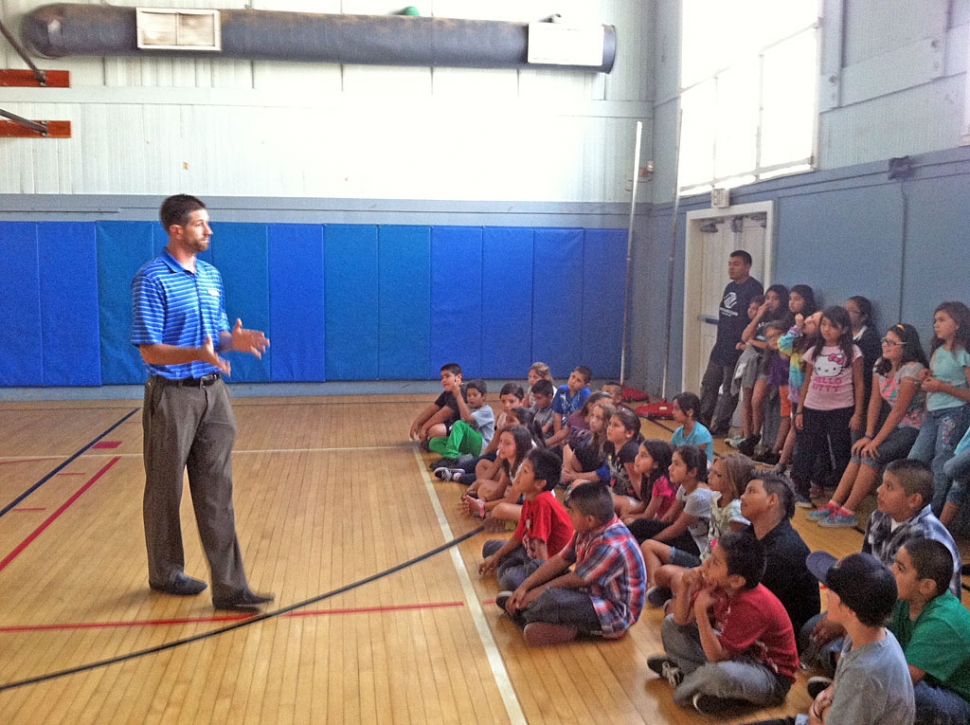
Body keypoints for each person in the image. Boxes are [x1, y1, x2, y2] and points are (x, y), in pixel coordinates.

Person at [131, 194, 273, 612]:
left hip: (214, 395)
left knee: (217, 492)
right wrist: (197, 352)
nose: (209, 231)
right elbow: (150, 351)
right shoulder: (152, 279)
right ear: (176, 230)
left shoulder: (211, 276)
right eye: (200, 224)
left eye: (207, 223)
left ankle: (231, 587)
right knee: (165, 490)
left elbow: (216, 338)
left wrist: (235, 342)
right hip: (171, 397)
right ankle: (165, 572)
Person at [800, 459, 963, 675]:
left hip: (911, 622)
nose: (878, 490)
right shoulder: (879, 516)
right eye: (882, 484)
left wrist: (848, 622)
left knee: (832, 643)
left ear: (914, 500)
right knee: (810, 632)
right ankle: (849, 667)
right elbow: (863, 571)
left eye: (889, 487)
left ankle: (853, 670)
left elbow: (902, 601)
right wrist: (843, 612)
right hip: (876, 605)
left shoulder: (927, 539)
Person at [747, 552, 915, 725]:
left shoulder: (864, 674)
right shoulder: (869, 635)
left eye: (832, 590)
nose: (827, 593)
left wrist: (817, 714)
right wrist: (829, 697)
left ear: (851, 610)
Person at [648, 532, 798, 716]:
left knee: (719, 674)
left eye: (716, 562)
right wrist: (686, 586)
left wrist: (702, 612)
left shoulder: (753, 605)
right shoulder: (718, 584)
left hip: (770, 676)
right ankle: (700, 685)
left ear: (736, 580)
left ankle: (689, 680)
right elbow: (680, 620)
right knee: (671, 624)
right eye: (711, 556)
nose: (707, 563)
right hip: (735, 658)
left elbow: (717, 658)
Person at [809, 323, 928, 528]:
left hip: (913, 427)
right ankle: (834, 503)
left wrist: (875, 442)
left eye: (892, 342)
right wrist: (868, 435)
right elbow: (875, 401)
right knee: (859, 451)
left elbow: (899, 411)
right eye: (885, 340)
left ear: (906, 346)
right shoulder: (881, 364)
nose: (885, 345)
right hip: (893, 426)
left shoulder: (913, 369)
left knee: (872, 454)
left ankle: (849, 510)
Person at [499, 481, 646, 646]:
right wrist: (524, 587)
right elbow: (561, 559)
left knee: (550, 598)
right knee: (536, 567)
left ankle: (573, 628)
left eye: (572, 512)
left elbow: (576, 578)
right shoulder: (588, 528)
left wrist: (534, 594)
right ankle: (531, 614)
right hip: (588, 591)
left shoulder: (611, 544)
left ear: (590, 519)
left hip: (612, 610)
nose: (569, 514)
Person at [642, 453, 752, 609]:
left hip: (714, 568)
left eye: (717, 474)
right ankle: (657, 589)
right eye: (712, 471)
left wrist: (706, 571)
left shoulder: (735, 512)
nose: (710, 476)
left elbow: (729, 554)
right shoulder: (715, 497)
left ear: (732, 482)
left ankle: (678, 597)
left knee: (673, 580)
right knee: (655, 562)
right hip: (703, 558)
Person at [889, 539, 970, 725]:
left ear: (926, 586)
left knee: (895, 691)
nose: (891, 571)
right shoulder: (906, 597)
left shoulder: (943, 621)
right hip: (931, 684)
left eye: (900, 568)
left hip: (959, 702)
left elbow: (902, 681)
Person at [792, 305, 865, 506]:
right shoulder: (814, 351)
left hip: (841, 409)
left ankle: (840, 497)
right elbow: (807, 381)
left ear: (843, 329)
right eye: (824, 324)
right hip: (812, 407)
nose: (826, 329)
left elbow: (859, 384)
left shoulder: (853, 352)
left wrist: (858, 413)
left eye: (833, 326)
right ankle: (801, 490)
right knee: (807, 449)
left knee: (841, 450)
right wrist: (799, 410)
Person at [907, 301, 970, 525]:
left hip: (953, 414)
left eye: (942, 320)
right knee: (915, 459)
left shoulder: (963, 354)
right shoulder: (937, 351)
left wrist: (942, 388)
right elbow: (934, 380)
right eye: (935, 320)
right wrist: (926, 378)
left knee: (941, 463)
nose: (936, 325)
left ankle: (929, 516)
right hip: (932, 414)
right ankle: (910, 508)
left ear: (958, 323)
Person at [480, 449, 574, 592]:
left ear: (539, 483)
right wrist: (496, 557)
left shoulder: (543, 502)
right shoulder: (531, 498)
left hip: (547, 562)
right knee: (489, 548)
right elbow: (518, 537)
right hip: (528, 549)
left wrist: (537, 583)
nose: (518, 476)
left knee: (508, 579)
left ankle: (516, 566)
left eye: (524, 472)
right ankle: (513, 563)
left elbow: (541, 549)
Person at [739, 473, 820, 636]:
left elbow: (749, 603)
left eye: (751, 491)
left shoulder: (782, 553)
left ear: (772, 500)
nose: (742, 497)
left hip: (782, 637)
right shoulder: (749, 532)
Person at [699, 250, 764, 436]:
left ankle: (721, 426)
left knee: (729, 390)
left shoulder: (754, 289)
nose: (731, 267)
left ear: (747, 266)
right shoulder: (729, 287)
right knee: (709, 384)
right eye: (729, 264)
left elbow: (754, 318)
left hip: (737, 348)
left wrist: (745, 344)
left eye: (736, 264)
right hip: (720, 346)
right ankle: (703, 421)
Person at [427, 378, 495, 469]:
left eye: (475, 395)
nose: (471, 398)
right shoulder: (466, 408)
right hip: (469, 443)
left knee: (459, 424)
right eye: (468, 395)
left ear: (484, 396)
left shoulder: (487, 410)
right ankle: (459, 459)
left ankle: (450, 457)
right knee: (434, 442)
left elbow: (468, 418)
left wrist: (458, 396)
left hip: (483, 447)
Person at [409, 362, 465, 442]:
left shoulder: (462, 391)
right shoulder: (448, 392)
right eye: (442, 377)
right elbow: (433, 408)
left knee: (435, 430)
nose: (444, 380)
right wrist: (417, 422)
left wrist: (425, 428)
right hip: (455, 422)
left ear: (458, 377)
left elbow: (444, 414)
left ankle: (456, 444)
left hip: (466, 426)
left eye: (447, 376)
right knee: (425, 422)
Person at [547, 366, 592, 448]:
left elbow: (580, 421)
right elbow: (557, 415)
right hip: (565, 429)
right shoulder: (562, 390)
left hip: (579, 431)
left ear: (586, 385)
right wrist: (558, 439)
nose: (573, 381)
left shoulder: (585, 394)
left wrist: (564, 438)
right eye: (573, 377)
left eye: (578, 380)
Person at [669, 392, 714, 464]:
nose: (672, 412)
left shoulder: (701, 434)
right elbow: (669, 452)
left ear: (690, 412)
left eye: (677, 409)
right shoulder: (678, 432)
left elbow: (697, 462)